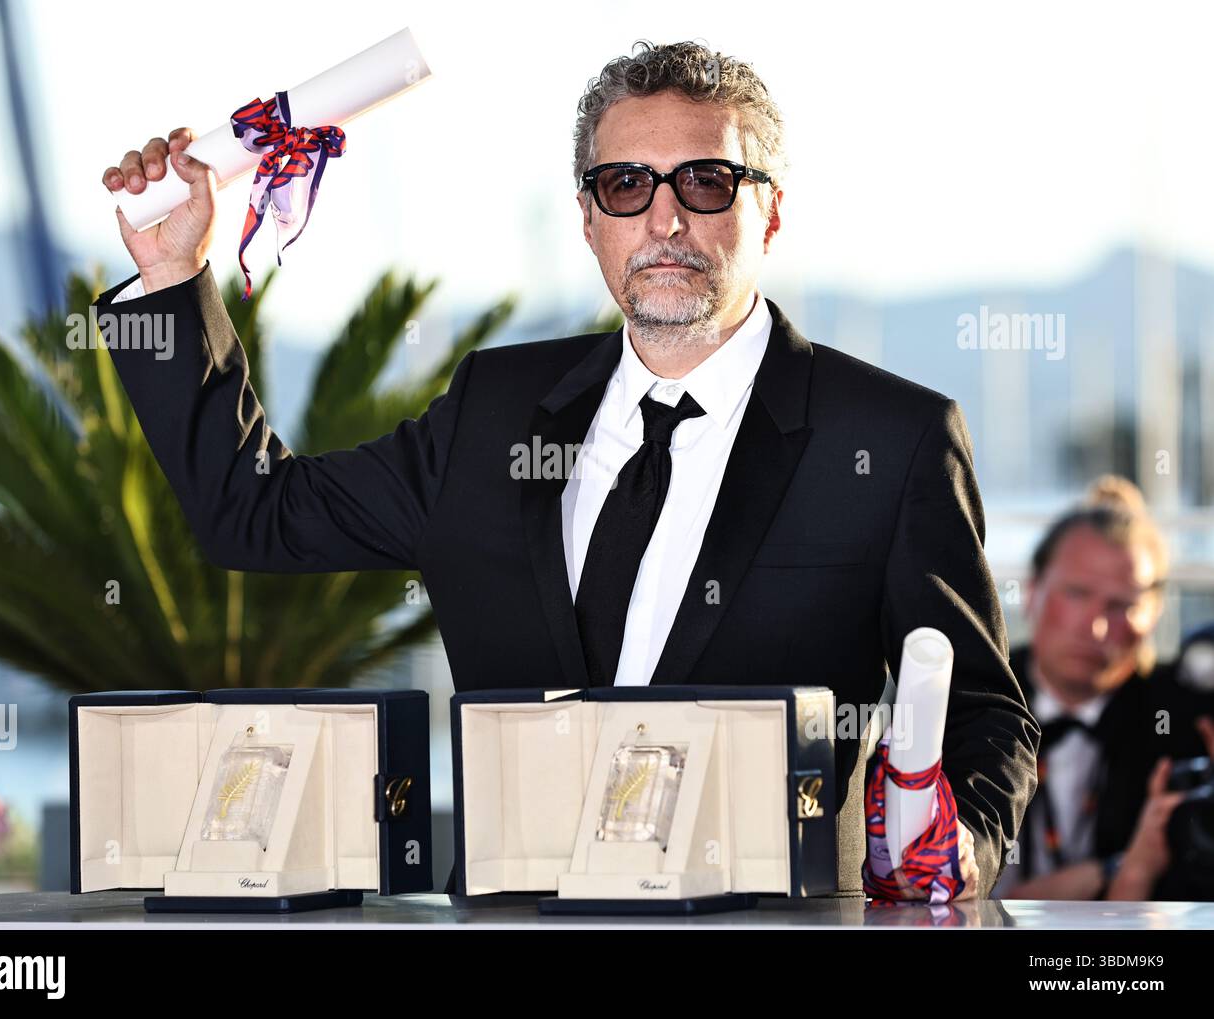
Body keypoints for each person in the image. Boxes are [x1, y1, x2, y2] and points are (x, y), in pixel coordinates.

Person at [95, 40, 1037, 899]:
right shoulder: (493, 412)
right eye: (626, 184)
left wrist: (959, 853)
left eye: (706, 182)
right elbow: (252, 513)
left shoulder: (890, 436)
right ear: (588, 217)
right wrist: (175, 282)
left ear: (770, 211)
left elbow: (987, 713)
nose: (665, 217)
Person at [994, 476, 1214, 900]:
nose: (1095, 627)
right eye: (1076, 594)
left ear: (1154, 614)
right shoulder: (970, 700)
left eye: (1121, 606)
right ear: (1032, 591)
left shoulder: (1185, 724)